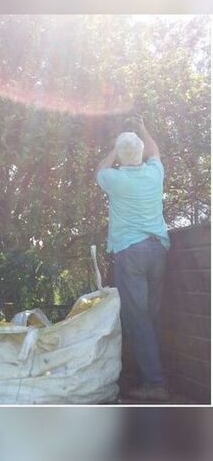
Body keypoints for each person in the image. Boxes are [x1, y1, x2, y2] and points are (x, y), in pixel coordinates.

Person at [96, 115, 170, 402]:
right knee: (149, 317)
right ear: (141, 153)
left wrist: (116, 148)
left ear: (120, 156)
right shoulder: (154, 173)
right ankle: (149, 376)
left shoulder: (115, 178)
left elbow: (99, 168)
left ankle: (155, 382)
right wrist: (143, 128)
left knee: (137, 318)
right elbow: (156, 152)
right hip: (158, 251)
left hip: (132, 253)